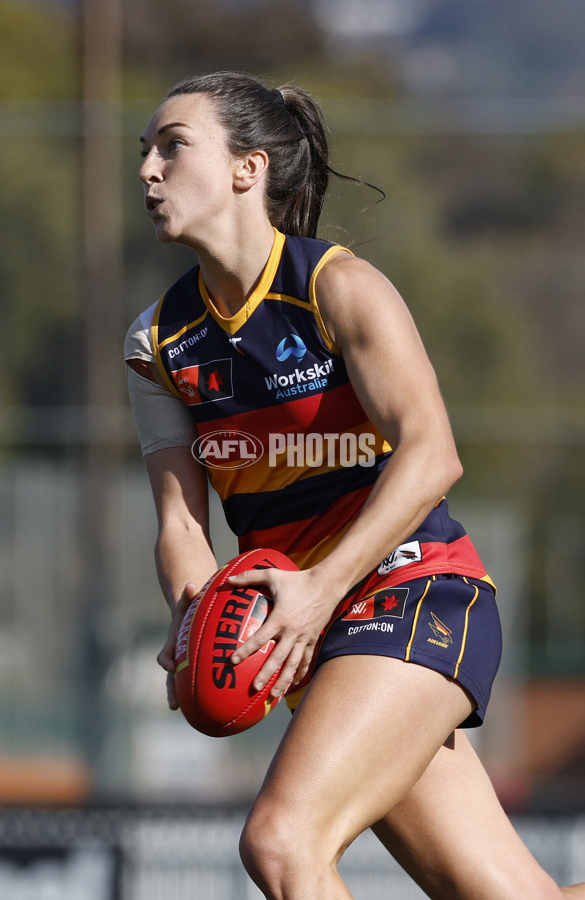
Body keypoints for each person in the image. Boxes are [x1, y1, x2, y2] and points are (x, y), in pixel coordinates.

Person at [125, 71, 585, 900]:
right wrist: (194, 618)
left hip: (413, 593)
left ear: (248, 168)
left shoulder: (337, 287)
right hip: (313, 633)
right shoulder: (157, 341)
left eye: (173, 146)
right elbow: (181, 526)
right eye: (145, 152)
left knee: (281, 843)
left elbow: (432, 454)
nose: (148, 170)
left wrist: (320, 588)